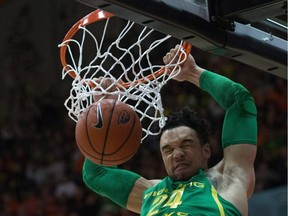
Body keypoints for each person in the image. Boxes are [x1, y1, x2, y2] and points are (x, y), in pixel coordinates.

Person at [82, 45, 258, 216]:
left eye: (186, 144)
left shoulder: (228, 179)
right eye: (168, 150)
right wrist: (104, 111)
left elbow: (240, 102)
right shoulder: (151, 193)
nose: (177, 154)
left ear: (206, 150)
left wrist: (192, 72)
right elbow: (95, 173)